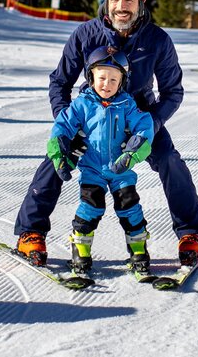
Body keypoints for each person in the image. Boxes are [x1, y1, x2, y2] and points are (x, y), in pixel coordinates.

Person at [15, 0, 198, 268]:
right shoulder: (85, 35)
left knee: (170, 160)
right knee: (56, 160)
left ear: (140, 2)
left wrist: (151, 125)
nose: (121, 6)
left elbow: (173, 92)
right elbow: (60, 82)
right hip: (91, 121)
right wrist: (69, 124)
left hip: (139, 122)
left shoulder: (157, 40)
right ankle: (30, 233)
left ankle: (190, 233)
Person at [48, 45, 155, 275]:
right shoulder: (82, 104)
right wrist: (60, 154)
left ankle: (138, 251)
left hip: (121, 169)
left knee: (129, 205)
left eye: (114, 80)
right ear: (91, 77)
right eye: (102, 78)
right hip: (92, 169)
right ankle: (81, 252)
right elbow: (62, 125)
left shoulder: (126, 104)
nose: (107, 85)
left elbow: (144, 125)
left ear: (122, 82)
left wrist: (132, 153)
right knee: (91, 206)